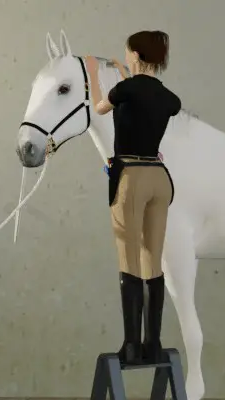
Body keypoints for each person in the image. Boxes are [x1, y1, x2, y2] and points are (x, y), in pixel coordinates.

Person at [85, 31, 181, 364]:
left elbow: (98, 108)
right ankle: (152, 343)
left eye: (127, 53)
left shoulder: (124, 89)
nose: (125, 57)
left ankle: (130, 345)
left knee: (129, 257)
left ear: (137, 55)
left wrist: (95, 76)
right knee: (152, 259)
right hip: (159, 177)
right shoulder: (169, 98)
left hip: (132, 177)